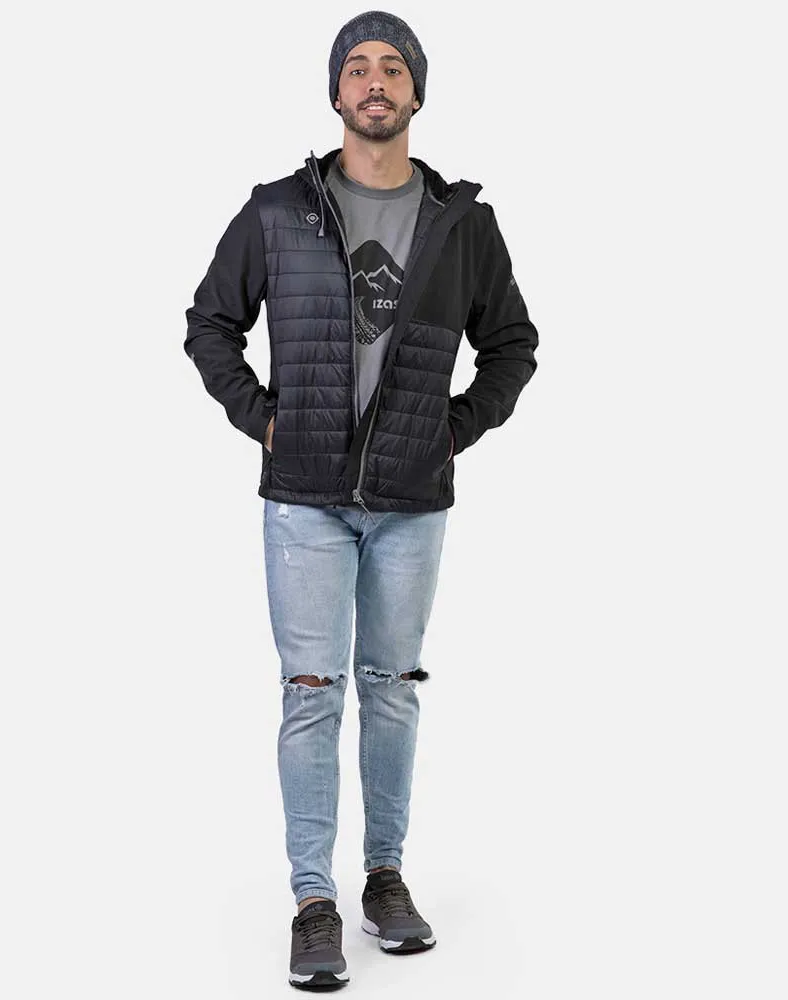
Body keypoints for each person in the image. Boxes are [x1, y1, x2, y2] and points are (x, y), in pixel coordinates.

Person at [184, 10, 539, 990]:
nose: (374, 81)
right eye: (357, 67)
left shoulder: (462, 222)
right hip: (303, 499)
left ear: (417, 91)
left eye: (393, 67)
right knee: (311, 695)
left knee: (390, 690)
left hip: (411, 503)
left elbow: (513, 345)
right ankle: (313, 902)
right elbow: (210, 325)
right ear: (335, 91)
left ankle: (384, 878)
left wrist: (452, 429)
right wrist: (266, 421)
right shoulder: (277, 211)